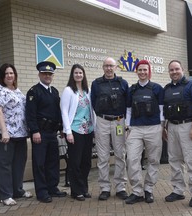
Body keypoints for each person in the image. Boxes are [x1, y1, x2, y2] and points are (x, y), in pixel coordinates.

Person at [0, 63, 32, 206]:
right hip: (4, 134)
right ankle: (5, 195)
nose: (9, 76)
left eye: (11, 73)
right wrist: (4, 131)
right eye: (6, 74)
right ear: (2, 76)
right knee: (4, 164)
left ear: (15, 75)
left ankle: (17, 190)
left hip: (20, 134)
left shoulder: (17, 91)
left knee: (19, 162)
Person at [163, 60, 192, 207]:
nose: (174, 72)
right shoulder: (166, 88)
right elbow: (165, 111)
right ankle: (178, 190)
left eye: (176, 69)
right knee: (174, 160)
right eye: (171, 70)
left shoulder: (191, 85)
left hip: (188, 126)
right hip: (172, 127)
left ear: (183, 69)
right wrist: (164, 128)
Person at [26, 61, 67, 203]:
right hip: (40, 133)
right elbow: (30, 114)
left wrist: (61, 127)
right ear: (39, 74)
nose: (47, 76)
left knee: (53, 162)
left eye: (50, 74)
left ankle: (52, 187)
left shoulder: (54, 91)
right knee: (39, 163)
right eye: (45, 73)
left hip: (52, 133)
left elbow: (58, 112)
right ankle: (42, 191)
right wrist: (35, 131)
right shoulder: (34, 91)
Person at [124, 60, 164, 204]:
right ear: (136, 71)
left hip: (153, 128)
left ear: (149, 71)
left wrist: (161, 127)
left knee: (153, 160)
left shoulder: (157, 88)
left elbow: (161, 110)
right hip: (135, 129)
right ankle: (137, 191)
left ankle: (148, 189)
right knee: (132, 159)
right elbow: (128, 110)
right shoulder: (132, 90)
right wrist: (127, 127)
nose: (142, 72)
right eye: (140, 70)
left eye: (145, 70)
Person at [91, 57, 129, 201]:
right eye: (106, 66)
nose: (108, 68)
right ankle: (104, 188)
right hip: (102, 121)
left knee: (120, 155)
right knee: (103, 156)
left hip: (119, 121)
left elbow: (127, 103)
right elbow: (93, 103)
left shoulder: (122, 83)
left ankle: (120, 187)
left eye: (111, 66)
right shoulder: (96, 84)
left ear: (116, 68)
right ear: (103, 67)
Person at [61, 64, 95, 201]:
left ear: (83, 74)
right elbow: (64, 111)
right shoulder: (68, 90)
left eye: (80, 73)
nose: (78, 75)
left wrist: (96, 129)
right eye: (76, 73)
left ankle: (83, 188)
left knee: (86, 162)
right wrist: (67, 131)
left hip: (88, 130)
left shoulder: (88, 90)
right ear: (72, 74)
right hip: (75, 131)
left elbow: (92, 111)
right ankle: (76, 191)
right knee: (75, 162)